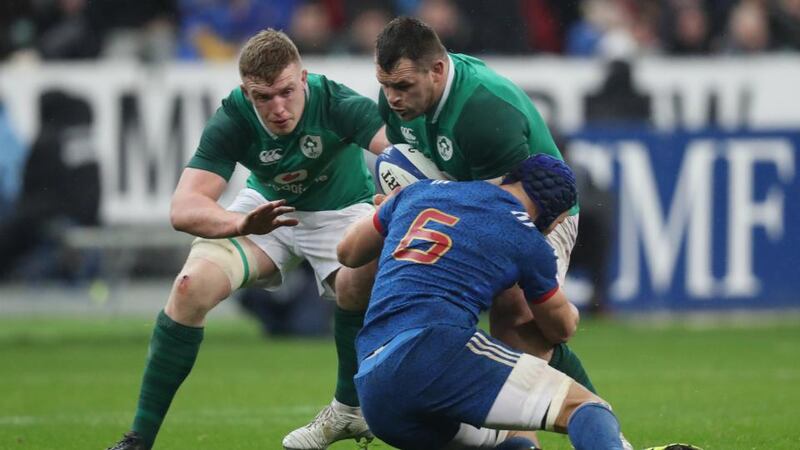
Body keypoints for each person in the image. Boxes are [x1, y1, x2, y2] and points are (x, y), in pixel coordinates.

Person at [105, 29, 388, 450]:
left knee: (356, 282)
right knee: (190, 287)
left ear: (304, 78)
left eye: (286, 92)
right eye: (263, 97)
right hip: (266, 212)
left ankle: (348, 408)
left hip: (342, 212)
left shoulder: (337, 102)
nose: (277, 108)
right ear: (245, 91)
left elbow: (398, 152)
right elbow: (184, 207)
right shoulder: (234, 117)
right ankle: (138, 440)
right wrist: (238, 224)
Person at [373, 15, 599, 404]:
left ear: (438, 70)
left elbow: (499, 218)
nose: (393, 98)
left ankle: (594, 420)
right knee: (357, 278)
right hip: (460, 204)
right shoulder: (396, 99)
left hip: (538, 215)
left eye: (403, 86)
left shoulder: (483, 109)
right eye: (386, 86)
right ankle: (348, 403)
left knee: (514, 315)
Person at [337, 154, 625, 450]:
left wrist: (390, 214)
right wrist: (572, 311)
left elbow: (347, 252)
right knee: (586, 407)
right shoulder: (527, 237)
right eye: (559, 222)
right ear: (551, 214)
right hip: (432, 351)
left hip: (374, 387)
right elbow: (560, 330)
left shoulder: (417, 192)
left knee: (514, 439)